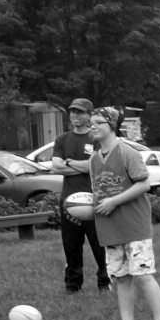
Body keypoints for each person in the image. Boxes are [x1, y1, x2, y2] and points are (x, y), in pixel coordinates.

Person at [90, 106, 160, 320]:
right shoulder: (94, 159)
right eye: (92, 123)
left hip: (134, 225)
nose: (93, 126)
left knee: (143, 275)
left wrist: (114, 201)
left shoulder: (126, 152)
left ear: (112, 125)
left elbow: (144, 184)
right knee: (121, 278)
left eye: (99, 122)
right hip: (110, 227)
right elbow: (98, 193)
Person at [40, 98, 110, 293]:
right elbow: (56, 166)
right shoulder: (63, 139)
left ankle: (105, 282)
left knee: (100, 245)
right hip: (69, 201)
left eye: (80, 112)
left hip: (95, 200)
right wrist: (84, 166)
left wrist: (69, 163)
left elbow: (96, 166)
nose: (75, 115)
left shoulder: (96, 139)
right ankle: (73, 285)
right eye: (72, 111)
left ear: (89, 115)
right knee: (71, 246)